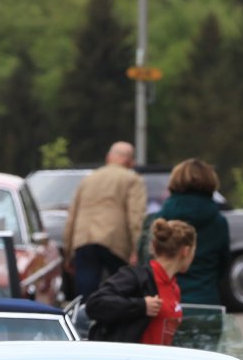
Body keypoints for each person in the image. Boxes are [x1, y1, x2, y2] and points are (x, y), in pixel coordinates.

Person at [83, 219, 196, 345]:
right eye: (194, 251)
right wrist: (141, 306)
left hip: (160, 357)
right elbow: (95, 304)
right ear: (186, 251)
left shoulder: (174, 287)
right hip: (130, 356)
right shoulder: (136, 277)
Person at [64, 141, 148, 298]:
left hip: (84, 239)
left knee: (85, 295)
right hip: (114, 242)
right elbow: (136, 216)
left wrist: (68, 254)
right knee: (121, 292)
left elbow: (72, 217)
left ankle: (84, 313)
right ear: (129, 161)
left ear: (109, 157)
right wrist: (138, 249)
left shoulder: (88, 179)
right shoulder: (132, 179)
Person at [152, 159, 230, 307]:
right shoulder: (218, 222)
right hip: (206, 300)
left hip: (166, 301)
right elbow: (223, 265)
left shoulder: (161, 218)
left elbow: (150, 261)